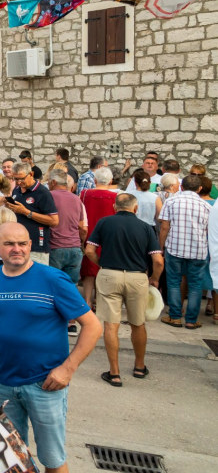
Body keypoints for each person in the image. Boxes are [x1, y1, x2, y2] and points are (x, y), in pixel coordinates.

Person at [0, 222, 101, 473]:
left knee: (52, 459)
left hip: (45, 384)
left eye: (22, 243)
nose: (16, 249)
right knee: (9, 458)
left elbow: (93, 326)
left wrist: (67, 368)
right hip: (3, 384)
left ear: (30, 245)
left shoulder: (53, 279)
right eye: (9, 244)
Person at [85, 193, 164, 387]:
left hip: (110, 274)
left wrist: (102, 264)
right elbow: (158, 260)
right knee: (138, 323)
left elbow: (88, 250)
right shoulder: (146, 228)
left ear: (114, 207)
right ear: (135, 208)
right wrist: (154, 278)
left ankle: (114, 372)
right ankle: (139, 366)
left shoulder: (104, 223)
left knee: (111, 325)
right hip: (137, 277)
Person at [158, 174, 211, 329]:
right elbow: (209, 230)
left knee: (173, 282)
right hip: (198, 250)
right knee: (195, 285)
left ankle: (175, 317)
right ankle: (191, 320)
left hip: (175, 248)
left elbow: (165, 227)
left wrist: (161, 247)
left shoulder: (171, 202)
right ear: (200, 189)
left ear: (181, 187)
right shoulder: (206, 206)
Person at [4, 162, 59, 264]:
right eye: (15, 179)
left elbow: (54, 221)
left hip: (37, 248)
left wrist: (26, 212)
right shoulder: (16, 190)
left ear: (31, 174)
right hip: (18, 246)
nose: (19, 182)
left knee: (37, 278)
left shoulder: (42, 192)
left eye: (21, 178)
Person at [79, 166, 117, 309]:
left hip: (89, 234)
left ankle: (87, 300)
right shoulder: (115, 197)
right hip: (107, 236)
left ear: (94, 180)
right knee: (103, 267)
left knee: (88, 268)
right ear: (110, 180)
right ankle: (99, 301)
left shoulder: (84, 194)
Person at [46, 168, 87, 287]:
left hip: (55, 247)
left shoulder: (49, 196)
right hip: (75, 248)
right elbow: (82, 228)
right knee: (70, 286)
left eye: (48, 182)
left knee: (52, 285)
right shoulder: (76, 199)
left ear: (53, 182)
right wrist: (81, 244)